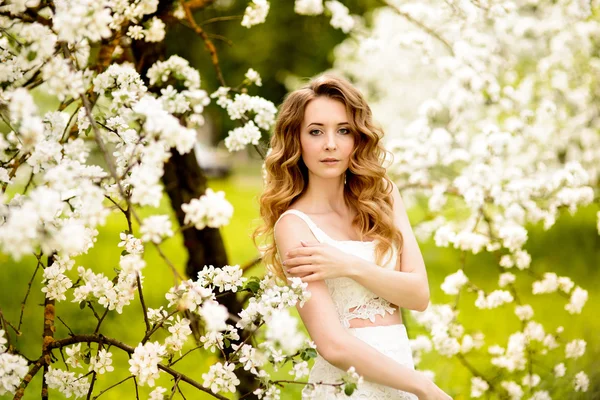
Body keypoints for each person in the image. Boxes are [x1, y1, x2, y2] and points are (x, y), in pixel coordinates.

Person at [253, 74, 452, 399]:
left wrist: (348, 265)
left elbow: (418, 295)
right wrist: (424, 388)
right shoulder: (294, 226)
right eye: (316, 131)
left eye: (343, 130)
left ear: (358, 138)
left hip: (401, 374)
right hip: (347, 388)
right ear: (296, 140)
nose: (330, 144)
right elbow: (333, 344)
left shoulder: (383, 196)